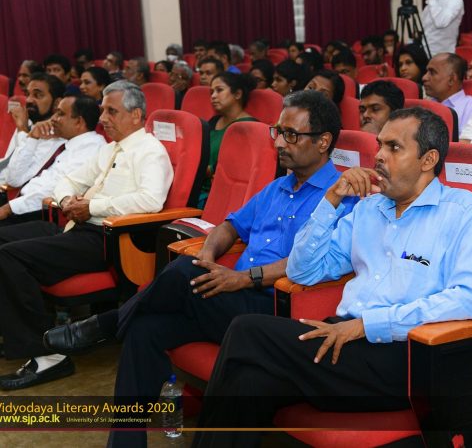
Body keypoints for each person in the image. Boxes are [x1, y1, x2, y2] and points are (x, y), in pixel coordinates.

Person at [43, 90, 358, 448]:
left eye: (291, 135)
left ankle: (108, 323)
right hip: (229, 298)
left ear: (323, 142)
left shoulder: (342, 197)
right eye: (277, 132)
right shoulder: (278, 187)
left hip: (275, 309)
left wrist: (241, 278)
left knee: (181, 271)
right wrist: (208, 255)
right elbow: (230, 226)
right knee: (145, 328)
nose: (279, 143)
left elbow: (310, 264)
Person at [191, 107, 472, 448]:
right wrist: (331, 199)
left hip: (404, 356)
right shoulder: (369, 207)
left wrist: (367, 325)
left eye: (394, 147)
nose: (378, 156)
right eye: (379, 145)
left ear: (428, 160)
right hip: (343, 341)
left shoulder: (464, 212)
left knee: (246, 330)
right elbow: (302, 270)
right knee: (248, 384)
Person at [0, 80, 173, 390]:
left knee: (9, 257)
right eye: (103, 110)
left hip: (108, 239)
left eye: (111, 111)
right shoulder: (108, 149)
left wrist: (92, 205)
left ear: (136, 115)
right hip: (76, 225)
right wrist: (68, 200)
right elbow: (68, 180)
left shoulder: (150, 152)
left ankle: (48, 356)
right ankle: (14, 329)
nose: (103, 118)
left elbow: (150, 201)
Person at [0, 94, 105, 225]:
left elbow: (54, 190)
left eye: (60, 114)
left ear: (79, 122)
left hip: (41, 213)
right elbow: (14, 179)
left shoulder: (92, 149)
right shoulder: (60, 142)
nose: (53, 118)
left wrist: (9, 209)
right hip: (18, 204)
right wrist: (33, 137)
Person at [198, 73, 258, 207]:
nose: (213, 96)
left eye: (219, 90)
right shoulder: (213, 121)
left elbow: (228, 168)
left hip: (222, 196)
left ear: (237, 94)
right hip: (200, 187)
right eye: (211, 92)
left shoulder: (249, 127)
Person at [0, 73, 66, 185]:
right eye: (27, 94)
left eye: (38, 95)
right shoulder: (28, 123)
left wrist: (22, 130)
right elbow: (7, 162)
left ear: (57, 103)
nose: (29, 100)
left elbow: (15, 177)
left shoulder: (54, 137)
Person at [423, 53, 472, 131]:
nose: (424, 78)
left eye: (432, 72)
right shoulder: (425, 104)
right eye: (426, 72)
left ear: (451, 79)